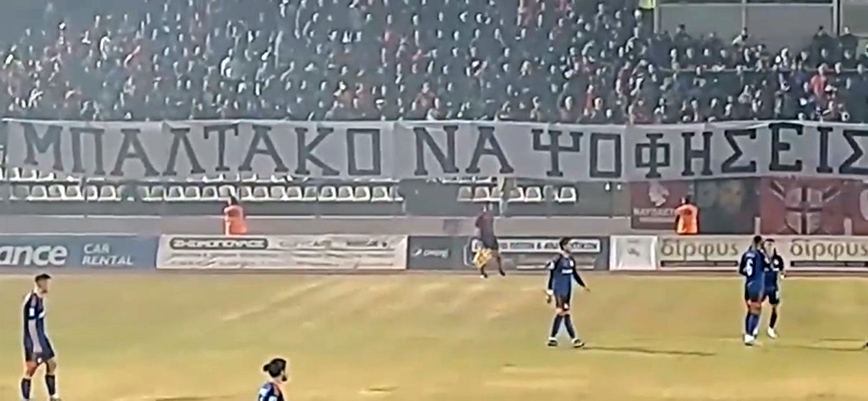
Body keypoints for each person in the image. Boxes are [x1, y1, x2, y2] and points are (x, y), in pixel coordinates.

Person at [545, 237, 591, 348]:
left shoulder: (570, 260)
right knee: (564, 313)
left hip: (567, 290)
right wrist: (549, 292)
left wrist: (583, 285)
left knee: (562, 313)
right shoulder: (557, 259)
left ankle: (552, 338)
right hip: (559, 290)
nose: (572, 247)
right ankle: (574, 339)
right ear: (564, 246)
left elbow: (574, 274)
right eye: (570, 245)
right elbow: (551, 275)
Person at [21, 273, 60, 401]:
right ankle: (25, 398)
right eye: (46, 283)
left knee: (52, 363)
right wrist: (36, 345)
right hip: (34, 340)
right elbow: (31, 324)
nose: (48, 286)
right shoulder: (33, 301)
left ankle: (53, 396)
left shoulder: (40, 298)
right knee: (31, 368)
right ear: (40, 283)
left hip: (42, 337)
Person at [739, 235, 766, 346]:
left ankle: (749, 332)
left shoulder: (746, 254)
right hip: (756, 284)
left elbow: (741, 270)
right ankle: (749, 335)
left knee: (750, 310)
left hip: (748, 284)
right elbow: (767, 265)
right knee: (755, 310)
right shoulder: (759, 254)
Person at [473, 205, 505, 278]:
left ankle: (500, 269)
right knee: (483, 256)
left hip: (490, 237)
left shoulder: (490, 217)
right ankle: (482, 272)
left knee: (496, 254)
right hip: (484, 238)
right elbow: (477, 225)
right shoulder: (481, 217)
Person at [762, 239, 785, 339]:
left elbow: (782, 270)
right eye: (768, 245)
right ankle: (752, 328)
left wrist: (782, 275)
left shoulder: (778, 259)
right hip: (762, 286)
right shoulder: (761, 258)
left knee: (775, 307)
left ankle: (771, 328)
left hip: (773, 287)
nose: (770, 247)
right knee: (756, 306)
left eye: (771, 245)